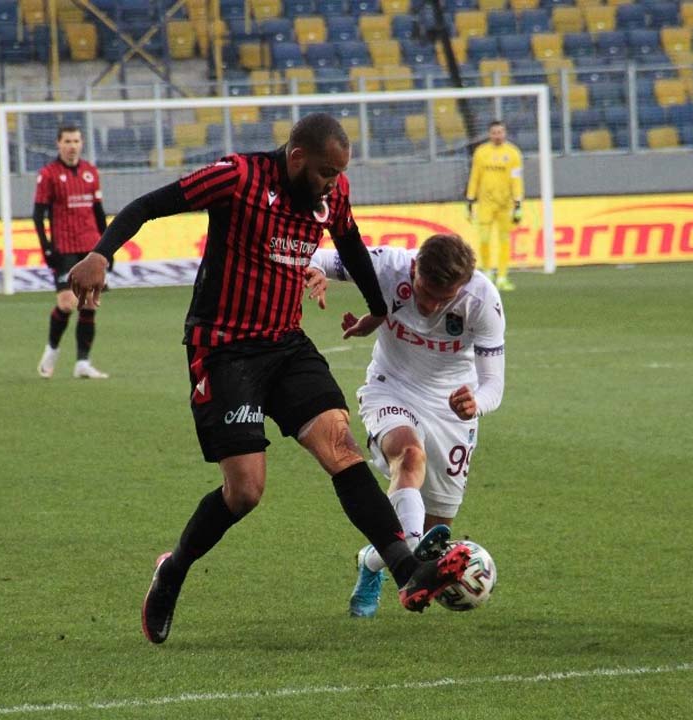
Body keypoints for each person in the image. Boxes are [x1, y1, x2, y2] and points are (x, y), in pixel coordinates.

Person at [67, 113, 471, 645]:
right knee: (245, 491)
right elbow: (148, 205)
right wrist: (101, 252)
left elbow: (349, 244)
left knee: (342, 448)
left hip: (285, 343)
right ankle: (174, 569)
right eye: (326, 171)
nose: (333, 183)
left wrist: (376, 309)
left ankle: (405, 570)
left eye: (338, 174)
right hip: (224, 348)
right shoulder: (238, 176)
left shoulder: (332, 194)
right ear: (298, 158)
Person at [309, 233, 505, 617]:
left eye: (443, 298)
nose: (430, 306)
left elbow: (494, 384)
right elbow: (317, 256)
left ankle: (371, 561)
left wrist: (475, 404)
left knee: (438, 526)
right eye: (424, 292)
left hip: (452, 407)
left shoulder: (483, 301)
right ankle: (411, 572)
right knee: (409, 456)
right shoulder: (386, 265)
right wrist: (314, 270)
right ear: (414, 269)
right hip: (391, 387)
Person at [34, 124, 110, 379]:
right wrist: (46, 248)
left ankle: (82, 363)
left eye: (76, 141)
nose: (72, 146)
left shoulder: (91, 172)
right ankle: (52, 349)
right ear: (58, 143)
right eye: (67, 141)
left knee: (89, 304)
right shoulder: (48, 174)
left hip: (90, 247)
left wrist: (107, 248)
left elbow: (99, 213)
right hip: (63, 247)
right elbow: (38, 215)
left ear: (82, 143)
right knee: (67, 303)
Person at [465, 120, 523, 292]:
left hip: (505, 205)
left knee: (504, 240)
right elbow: (475, 177)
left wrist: (518, 203)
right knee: (484, 239)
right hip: (485, 204)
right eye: (494, 132)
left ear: (504, 133)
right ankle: (488, 272)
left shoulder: (513, 153)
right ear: (489, 134)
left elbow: (517, 180)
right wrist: (470, 200)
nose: (497, 135)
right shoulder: (481, 153)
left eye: (500, 132)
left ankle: (503, 276)